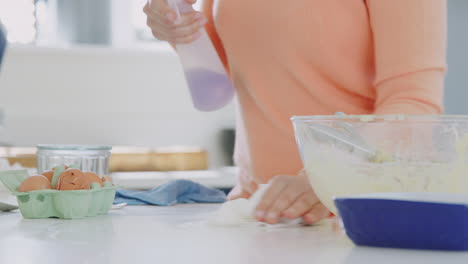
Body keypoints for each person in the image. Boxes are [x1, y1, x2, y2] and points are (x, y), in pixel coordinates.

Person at [143, 0, 447, 224]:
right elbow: (218, 83)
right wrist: (177, 26)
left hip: (356, 217)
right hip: (258, 213)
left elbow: (413, 108)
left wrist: (328, 178)